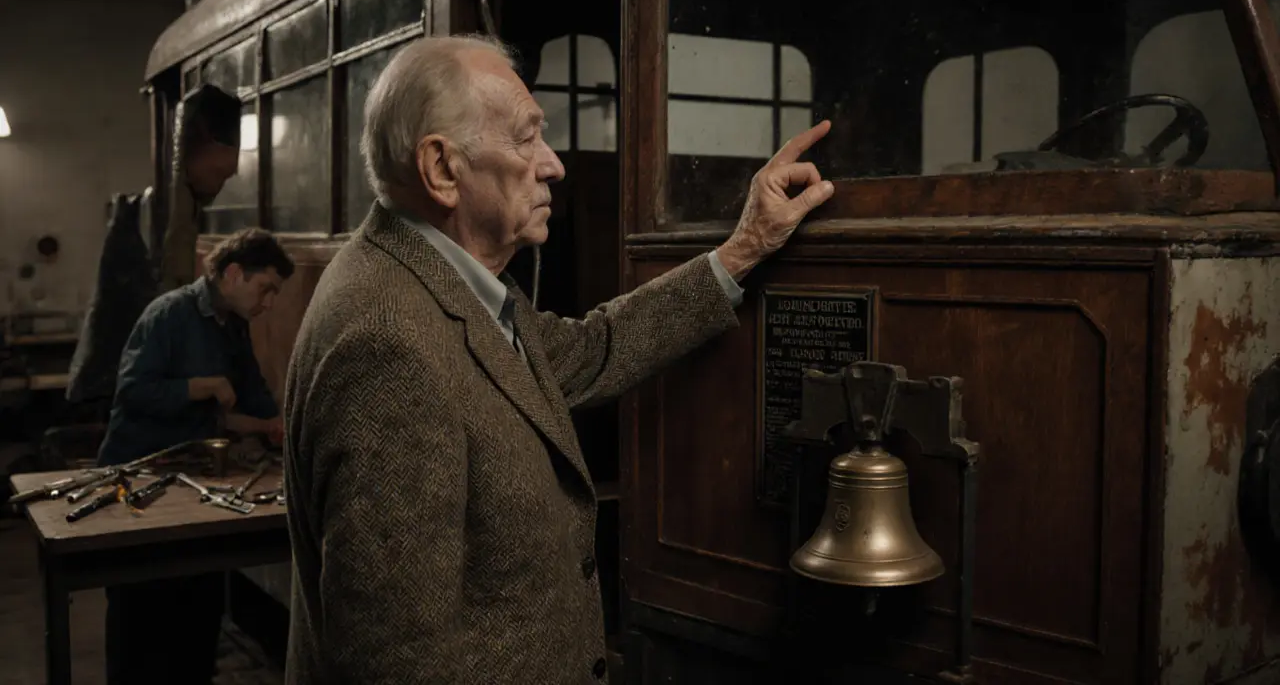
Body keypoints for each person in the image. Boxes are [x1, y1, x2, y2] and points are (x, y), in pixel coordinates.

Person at [282, 34, 834, 684]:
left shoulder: (443, 282)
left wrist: (743, 249)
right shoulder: (389, 347)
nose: (554, 165)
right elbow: (398, 663)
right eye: (526, 138)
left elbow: (590, 348)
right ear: (440, 169)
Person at [98, 227, 294, 685]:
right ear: (232, 272)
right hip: (140, 474)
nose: (268, 303)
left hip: (194, 481)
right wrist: (199, 386)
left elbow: (253, 396)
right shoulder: (169, 314)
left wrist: (278, 426)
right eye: (265, 289)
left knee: (197, 604)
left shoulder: (234, 327)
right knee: (139, 613)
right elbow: (132, 392)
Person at [66, 84, 242, 409]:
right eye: (217, 172)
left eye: (227, 177)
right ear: (191, 150)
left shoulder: (185, 210)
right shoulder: (152, 216)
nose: (219, 185)